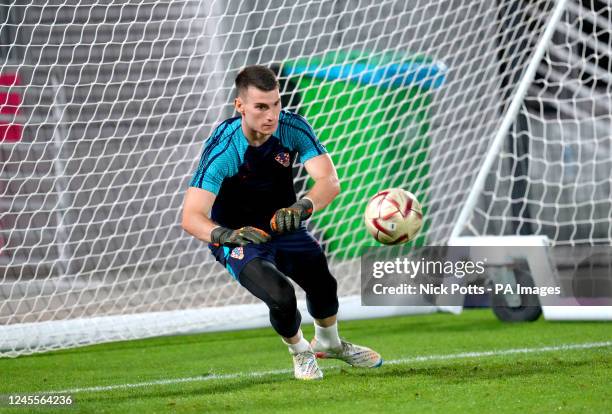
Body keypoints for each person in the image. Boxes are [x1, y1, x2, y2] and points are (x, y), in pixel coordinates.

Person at [181, 65, 382, 380]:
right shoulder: (224, 149)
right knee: (281, 295)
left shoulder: (292, 128)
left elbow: (329, 181)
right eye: (261, 107)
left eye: (276, 104)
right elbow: (191, 217)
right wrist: (226, 234)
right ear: (240, 107)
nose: (271, 115)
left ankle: (329, 343)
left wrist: (303, 206)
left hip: (284, 227)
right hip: (241, 239)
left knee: (323, 282)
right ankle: (301, 352)